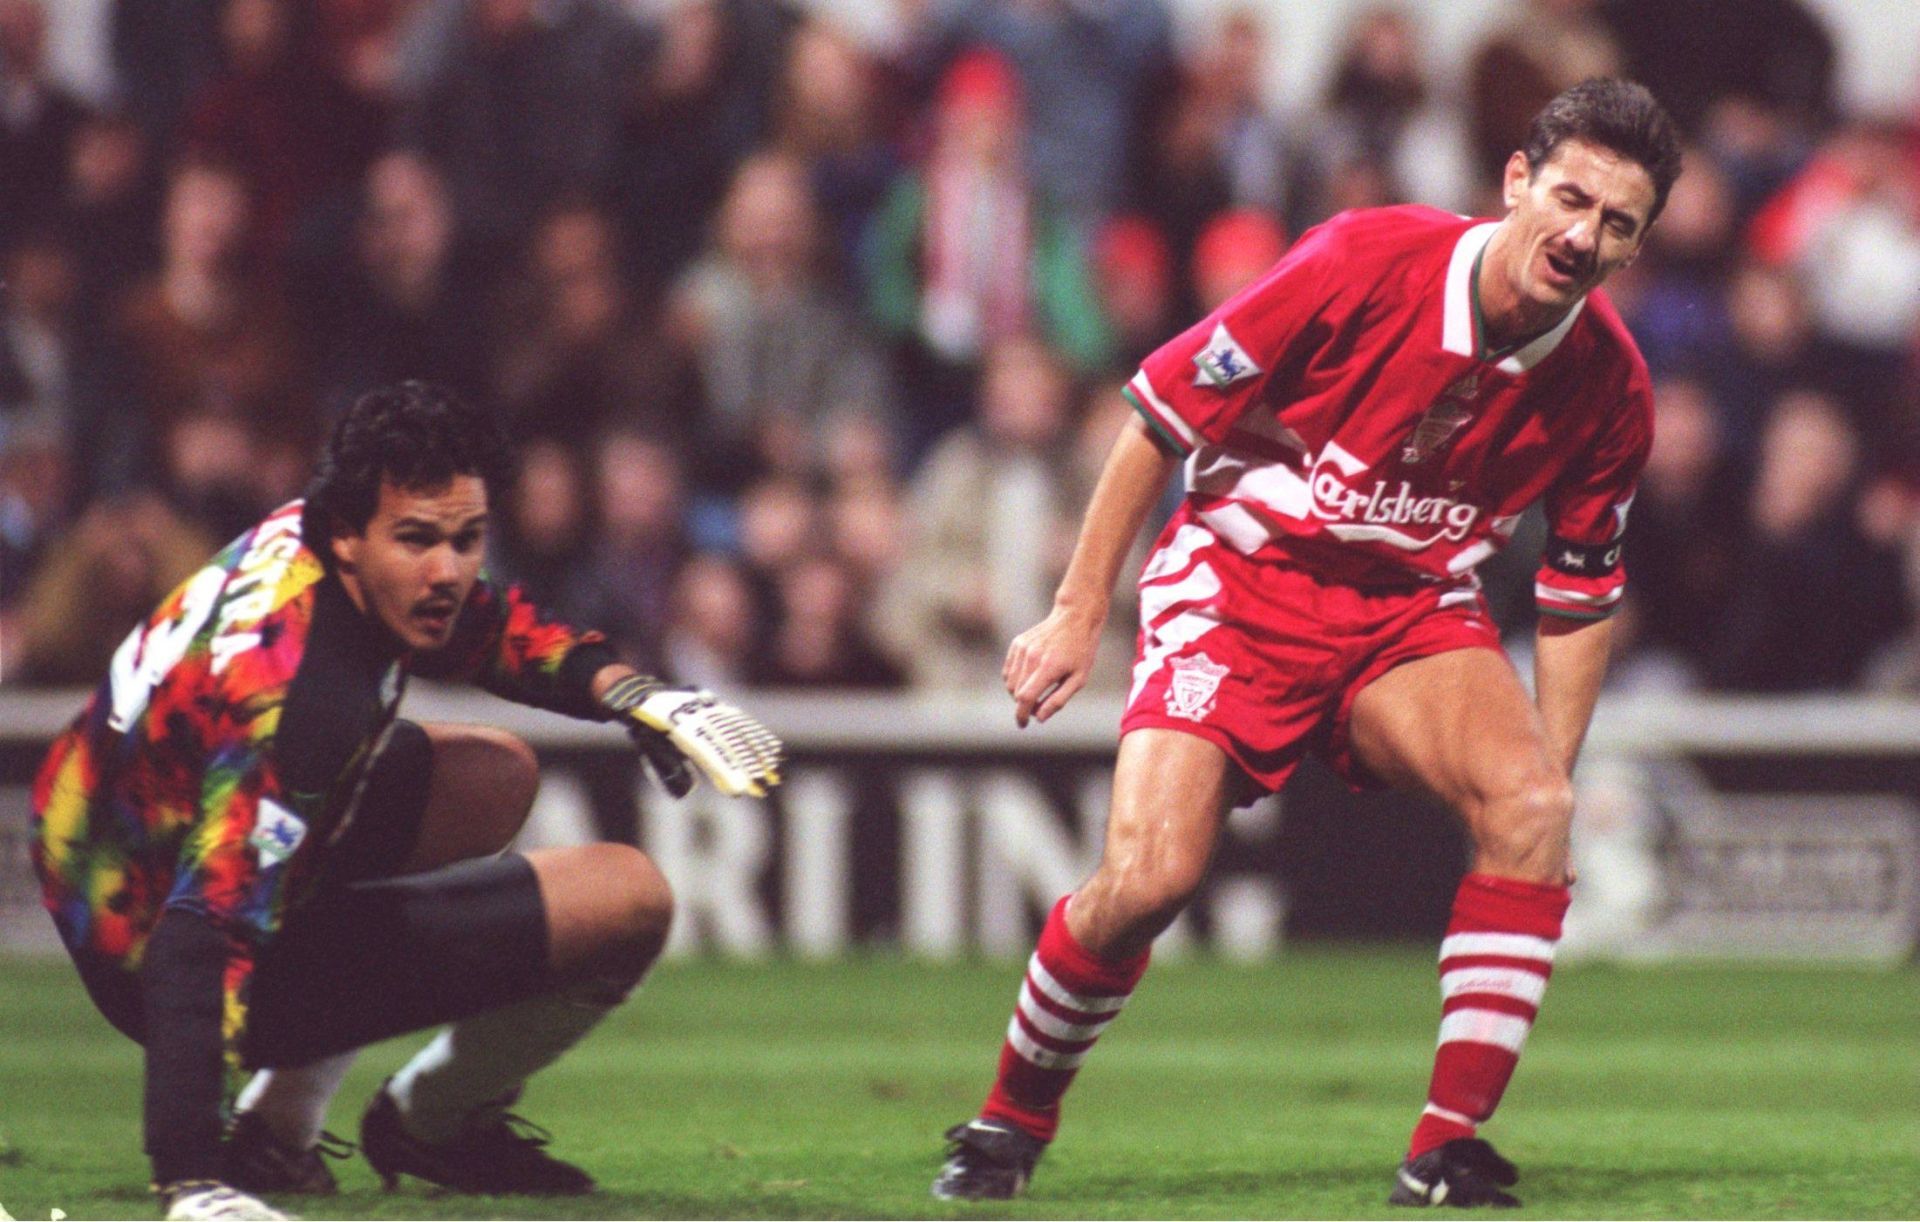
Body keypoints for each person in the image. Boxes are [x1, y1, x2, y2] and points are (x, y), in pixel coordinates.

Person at [933, 79, 1681, 1208]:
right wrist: (1081, 608)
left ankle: (1445, 1148)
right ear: (1517, 181)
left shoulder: (1613, 386)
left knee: (1529, 808)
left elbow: (1581, 588)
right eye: (1571, 199)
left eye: (1617, 224)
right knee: (1146, 881)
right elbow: (1159, 418)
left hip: (1407, 612)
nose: (1582, 237)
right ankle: (1010, 1118)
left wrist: (1549, 786)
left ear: (1637, 245)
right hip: (1238, 580)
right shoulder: (1361, 259)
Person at [30, 381, 783, 1221]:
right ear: (348, 536)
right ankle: (426, 1122)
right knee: (628, 897)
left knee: (492, 778)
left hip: (103, 849)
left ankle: (279, 1124)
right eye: (420, 541)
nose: (449, 571)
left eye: (467, 539)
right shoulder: (302, 701)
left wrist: (628, 689)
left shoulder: (313, 540)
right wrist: (191, 1177)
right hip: (152, 945)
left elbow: (483, 623)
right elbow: (195, 933)